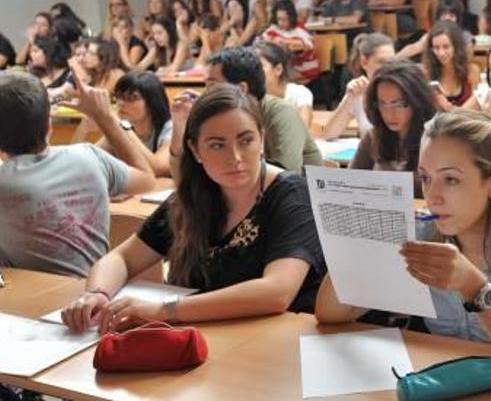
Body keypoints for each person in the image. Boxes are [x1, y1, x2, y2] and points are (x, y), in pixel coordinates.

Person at [316, 110, 491, 373]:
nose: (433, 196)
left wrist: (473, 286)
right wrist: (361, 239)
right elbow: (331, 313)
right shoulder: (421, 236)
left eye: (451, 179)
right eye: (426, 178)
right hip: (442, 381)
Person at [62, 84, 327, 334]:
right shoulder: (191, 197)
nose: (234, 157)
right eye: (217, 145)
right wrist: (97, 293)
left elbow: (277, 292)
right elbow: (122, 258)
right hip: (208, 335)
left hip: (278, 341)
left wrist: (163, 311)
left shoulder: (291, 194)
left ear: (262, 140)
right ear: (195, 150)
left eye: (246, 141)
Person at [0, 71, 155, 278]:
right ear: (49, 124)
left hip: (29, 303)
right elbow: (146, 180)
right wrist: (105, 118)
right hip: (96, 294)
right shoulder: (89, 156)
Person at [200, 47, 322, 174]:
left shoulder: (282, 113)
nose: (206, 94)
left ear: (241, 89)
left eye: (212, 86)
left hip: (302, 192)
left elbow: (285, 176)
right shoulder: (223, 117)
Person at [351, 60, 436, 197]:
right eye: (382, 104)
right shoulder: (373, 137)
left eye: (399, 104)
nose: (389, 114)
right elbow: (349, 184)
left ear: (417, 101)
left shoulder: (437, 140)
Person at [87, 72, 173, 177]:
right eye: (119, 97)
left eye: (132, 98)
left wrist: (122, 126)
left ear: (152, 101)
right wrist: (82, 129)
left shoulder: (170, 129)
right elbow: (90, 158)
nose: (121, 103)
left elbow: (158, 169)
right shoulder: (123, 126)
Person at [323, 33, 395, 140]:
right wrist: (349, 98)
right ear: (364, 62)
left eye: (392, 62)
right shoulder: (359, 91)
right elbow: (329, 134)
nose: (388, 68)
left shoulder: (405, 88)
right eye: (381, 62)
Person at [258, 0, 319, 84]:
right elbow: (261, 41)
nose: (281, 23)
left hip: (303, 69)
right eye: (279, 19)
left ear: (291, 17)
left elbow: (309, 45)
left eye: (285, 19)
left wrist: (283, 41)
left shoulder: (299, 29)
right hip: (286, 66)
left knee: (273, 77)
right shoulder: (274, 28)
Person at [255, 41, 314, 127]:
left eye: (260, 67)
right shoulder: (250, 96)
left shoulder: (299, 94)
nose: (254, 72)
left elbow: (303, 130)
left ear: (278, 69)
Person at [422, 21, 479, 111]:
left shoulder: (472, 71)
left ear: (456, 47)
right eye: (436, 48)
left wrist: (450, 109)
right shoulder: (426, 72)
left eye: (446, 47)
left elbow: (478, 108)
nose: (441, 53)